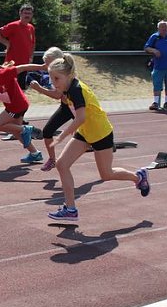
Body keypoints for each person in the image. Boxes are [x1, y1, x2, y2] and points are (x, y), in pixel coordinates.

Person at [44, 53, 150, 222]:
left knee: (106, 174)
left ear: (68, 75)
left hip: (101, 133)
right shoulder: (68, 89)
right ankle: (70, 209)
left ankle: (139, 177)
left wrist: (61, 136)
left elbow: (80, 118)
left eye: (56, 79)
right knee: (62, 164)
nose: (53, 83)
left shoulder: (76, 90)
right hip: (86, 133)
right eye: (51, 79)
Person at [0, 54, 43, 164]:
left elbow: (24, 67)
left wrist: (42, 67)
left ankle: (26, 129)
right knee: (16, 131)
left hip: (18, 106)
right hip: (13, 107)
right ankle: (35, 153)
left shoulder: (6, 73)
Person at [26, 47, 66, 171]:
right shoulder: (53, 71)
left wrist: (40, 89)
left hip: (80, 107)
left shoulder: (63, 73)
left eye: (47, 63)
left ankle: (103, 145)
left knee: (89, 133)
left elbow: (57, 95)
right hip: (67, 107)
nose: (45, 66)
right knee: (48, 131)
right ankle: (52, 159)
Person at [0, 3, 36, 89]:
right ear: (20, 13)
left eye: (29, 13)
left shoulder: (31, 28)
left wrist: (31, 57)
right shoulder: (14, 25)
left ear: (32, 15)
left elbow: (32, 43)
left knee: (21, 89)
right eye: (25, 13)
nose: (27, 15)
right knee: (11, 89)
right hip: (12, 64)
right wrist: (7, 43)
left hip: (24, 64)